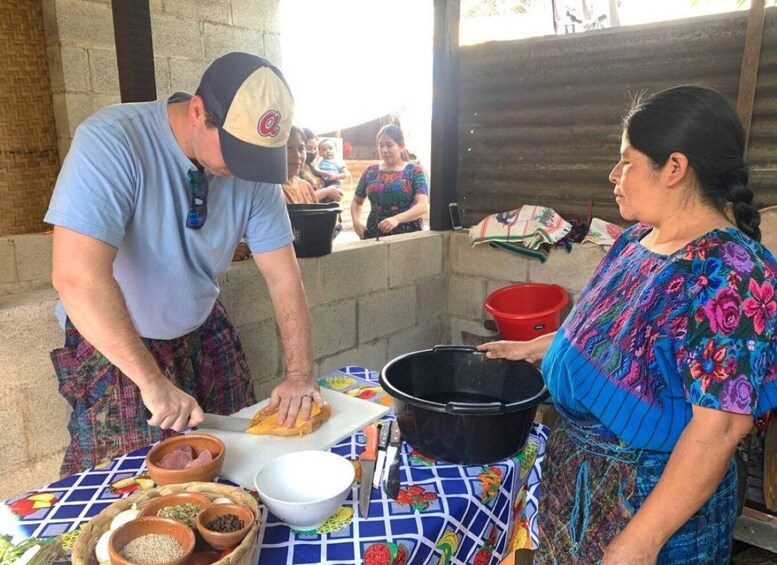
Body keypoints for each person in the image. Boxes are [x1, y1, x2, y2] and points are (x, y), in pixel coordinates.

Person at [479, 85, 776, 564]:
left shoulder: (731, 273)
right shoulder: (637, 239)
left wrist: (642, 539)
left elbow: (719, 429)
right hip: (578, 478)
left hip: (651, 502)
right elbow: (607, 332)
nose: (613, 175)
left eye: (626, 161)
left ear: (674, 168)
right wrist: (536, 348)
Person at [45, 52, 323, 477]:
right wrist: (153, 384)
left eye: (254, 157)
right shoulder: (113, 141)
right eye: (234, 152)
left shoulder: (250, 172)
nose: (240, 170)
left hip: (202, 325)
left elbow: (283, 275)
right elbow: (76, 277)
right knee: (132, 481)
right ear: (197, 111)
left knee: (236, 460)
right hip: (117, 342)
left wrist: (300, 373)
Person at [351, 124, 429, 239]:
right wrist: (356, 223)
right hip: (374, 233)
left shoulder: (414, 171)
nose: (384, 150)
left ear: (401, 146)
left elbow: (422, 206)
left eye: (389, 145)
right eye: (380, 145)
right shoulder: (370, 172)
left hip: (407, 234)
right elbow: (357, 202)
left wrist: (396, 219)